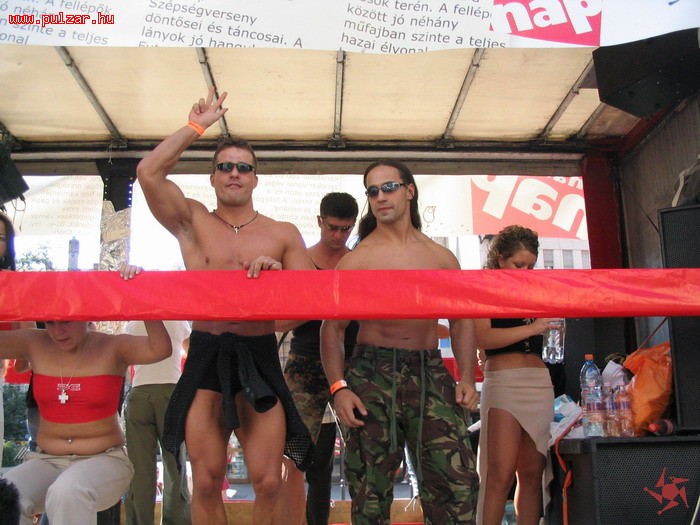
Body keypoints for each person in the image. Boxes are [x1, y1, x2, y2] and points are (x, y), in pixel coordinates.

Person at [136, 87, 314, 525]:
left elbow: (309, 302)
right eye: (225, 167)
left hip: (259, 354)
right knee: (207, 479)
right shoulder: (192, 221)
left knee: (268, 481)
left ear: (255, 179)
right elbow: (148, 173)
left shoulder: (283, 233)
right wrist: (196, 126)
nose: (235, 173)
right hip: (207, 354)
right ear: (212, 177)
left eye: (244, 167)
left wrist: (274, 288)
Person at [320, 160, 480, 525]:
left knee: (455, 486)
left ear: (409, 191)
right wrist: (339, 388)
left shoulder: (441, 258)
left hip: (429, 371)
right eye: (372, 191)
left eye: (388, 187)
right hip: (372, 373)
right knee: (369, 492)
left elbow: (461, 321)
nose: (380, 196)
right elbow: (332, 329)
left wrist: (467, 378)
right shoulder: (356, 261)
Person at [0, 268, 172, 525]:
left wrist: (140, 288)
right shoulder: (34, 342)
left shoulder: (113, 346)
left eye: (66, 321)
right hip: (47, 460)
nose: (58, 331)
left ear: (86, 314)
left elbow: (160, 349)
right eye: (50, 322)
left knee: (68, 490)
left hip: (105, 460)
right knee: (6, 495)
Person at [276, 192, 359, 525]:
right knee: (292, 456)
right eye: (332, 228)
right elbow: (278, 316)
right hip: (304, 361)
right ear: (319, 222)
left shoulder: (358, 262)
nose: (338, 236)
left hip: (352, 364)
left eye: (345, 229)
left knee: (362, 455)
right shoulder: (300, 261)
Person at [474, 225, 558, 525]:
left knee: (533, 473)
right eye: (518, 265)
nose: (525, 272)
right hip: (504, 383)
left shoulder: (537, 289)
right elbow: (482, 337)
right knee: (500, 473)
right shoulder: (483, 287)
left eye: (530, 266)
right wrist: (533, 328)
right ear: (500, 258)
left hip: (540, 383)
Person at [123, 320, 192, 525]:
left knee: (140, 468)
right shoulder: (179, 321)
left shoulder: (132, 323)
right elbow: (192, 353)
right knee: (175, 466)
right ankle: (177, 520)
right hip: (171, 394)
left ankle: (139, 520)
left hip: (139, 395)